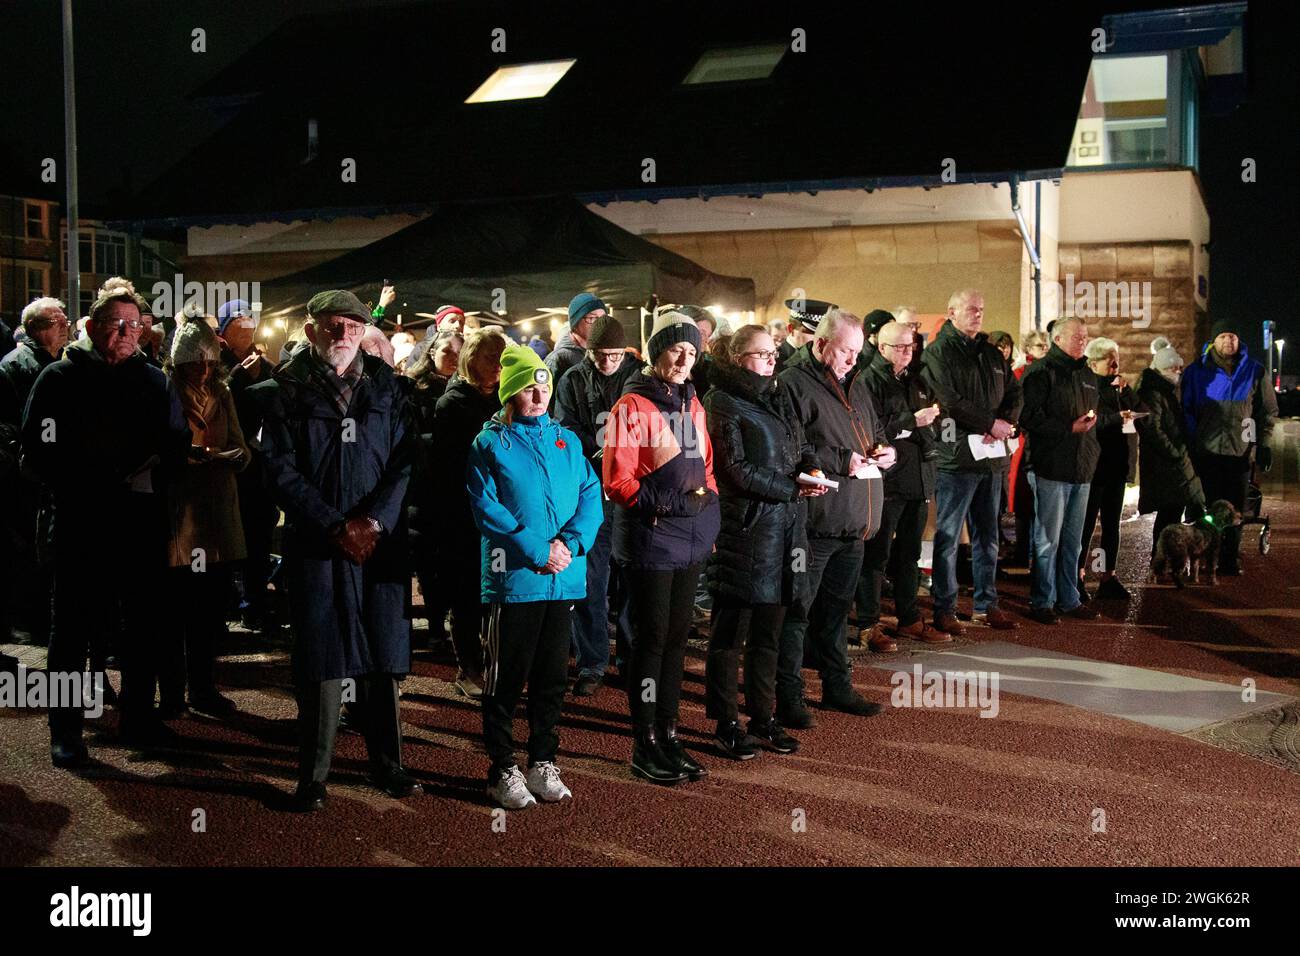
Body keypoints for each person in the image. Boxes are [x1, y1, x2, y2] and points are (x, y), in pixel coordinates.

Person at [257, 290, 421, 812]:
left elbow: (403, 462)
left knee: (382, 652)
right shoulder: (282, 391)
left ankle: (388, 765)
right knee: (322, 658)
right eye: (332, 325)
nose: (343, 334)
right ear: (310, 331)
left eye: (352, 325)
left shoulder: (389, 386)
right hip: (318, 542)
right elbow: (279, 469)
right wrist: (334, 526)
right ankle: (314, 776)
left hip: (378, 540)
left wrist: (374, 521)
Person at [22, 285, 192, 766]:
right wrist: (88, 475)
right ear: (92, 328)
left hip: (139, 525)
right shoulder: (58, 378)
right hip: (81, 522)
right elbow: (34, 452)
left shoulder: (154, 382)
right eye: (117, 323)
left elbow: (177, 444)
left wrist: (154, 468)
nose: (126, 332)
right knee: (72, 631)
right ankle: (67, 730)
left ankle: (138, 717)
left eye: (134, 324)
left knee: (144, 628)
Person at [466, 345, 602, 809]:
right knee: (506, 679)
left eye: (542, 383)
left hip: (561, 579)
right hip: (516, 581)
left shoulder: (567, 440)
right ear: (509, 394)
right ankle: (501, 767)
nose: (538, 392)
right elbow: (487, 508)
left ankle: (542, 762)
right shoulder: (489, 443)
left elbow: (591, 494)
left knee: (550, 679)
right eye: (527, 386)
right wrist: (535, 549)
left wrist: (569, 545)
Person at [603, 309, 720, 785]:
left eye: (691, 352)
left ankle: (669, 734)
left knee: (675, 642)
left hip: (689, 539)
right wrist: (675, 504)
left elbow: (707, 468)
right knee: (649, 643)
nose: (683, 359)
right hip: (650, 540)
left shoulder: (693, 402)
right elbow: (617, 480)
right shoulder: (630, 406)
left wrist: (707, 511)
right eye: (676, 348)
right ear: (656, 352)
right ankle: (644, 741)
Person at [703, 324, 824, 758]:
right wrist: (792, 487)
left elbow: (800, 444)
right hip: (745, 531)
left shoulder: (775, 396)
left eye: (774, 353)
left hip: (785, 530)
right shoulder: (721, 401)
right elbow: (732, 469)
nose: (772, 361)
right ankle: (725, 722)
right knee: (729, 635)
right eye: (762, 355)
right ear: (738, 358)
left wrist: (811, 469)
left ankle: (762, 716)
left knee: (769, 634)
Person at [777, 308, 895, 727]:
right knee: (797, 610)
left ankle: (836, 685)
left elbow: (875, 431)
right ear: (820, 343)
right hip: (816, 519)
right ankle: (788, 694)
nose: (852, 360)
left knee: (835, 612)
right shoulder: (792, 383)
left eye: (858, 352)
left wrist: (886, 451)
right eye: (846, 350)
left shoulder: (857, 384)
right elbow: (791, 447)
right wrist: (841, 461)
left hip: (856, 520)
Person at [919, 289, 1023, 635]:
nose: (978, 314)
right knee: (948, 536)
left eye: (981, 309)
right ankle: (944, 607)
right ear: (952, 312)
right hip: (956, 457)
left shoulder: (991, 353)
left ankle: (985, 603)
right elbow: (948, 400)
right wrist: (988, 423)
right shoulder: (938, 352)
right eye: (971, 309)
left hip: (991, 458)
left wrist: (1005, 421)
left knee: (988, 535)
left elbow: (1013, 391)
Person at [162, 317, 249, 716]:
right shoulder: (166, 391)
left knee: (209, 609)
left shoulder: (223, 392)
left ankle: (202, 686)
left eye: (210, 363)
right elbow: (162, 446)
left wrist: (233, 456)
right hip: (181, 512)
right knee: (175, 608)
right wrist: (190, 455)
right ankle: (172, 691)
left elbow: (240, 446)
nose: (204, 370)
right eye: (196, 363)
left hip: (215, 511)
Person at [553, 315, 639, 696]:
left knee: (633, 579)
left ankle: (631, 659)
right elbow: (566, 428)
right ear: (589, 352)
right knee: (591, 579)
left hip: (632, 490)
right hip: (591, 492)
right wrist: (598, 450)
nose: (608, 362)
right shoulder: (572, 379)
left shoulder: (637, 377)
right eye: (601, 355)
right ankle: (592, 662)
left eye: (615, 355)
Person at [856, 321, 949, 648]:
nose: (907, 352)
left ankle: (909, 618)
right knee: (876, 555)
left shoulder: (917, 378)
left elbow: (933, 417)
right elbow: (871, 428)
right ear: (882, 348)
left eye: (911, 346)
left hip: (918, 478)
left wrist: (927, 427)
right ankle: (868, 624)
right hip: (887, 482)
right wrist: (913, 421)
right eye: (900, 347)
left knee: (910, 554)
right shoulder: (869, 380)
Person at [431, 326, 508, 698]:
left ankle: (494, 665)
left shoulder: (507, 399)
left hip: (502, 515)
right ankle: (468, 668)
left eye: (501, 358)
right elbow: (450, 468)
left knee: (496, 593)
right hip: (464, 516)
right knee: (466, 595)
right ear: (471, 358)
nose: (496, 365)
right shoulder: (453, 404)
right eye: (490, 357)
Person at [1017, 318, 1100, 625]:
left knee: (1073, 540)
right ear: (1058, 339)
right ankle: (1042, 600)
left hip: (1081, 468)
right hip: (1050, 466)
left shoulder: (1088, 374)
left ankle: (1069, 598)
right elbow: (1029, 417)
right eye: (1077, 337)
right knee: (1047, 539)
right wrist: (1069, 428)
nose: (1083, 341)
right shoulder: (1040, 372)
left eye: (1086, 337)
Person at [1181, 319, 1277, 575]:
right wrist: (1192, 440)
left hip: (1240, 453)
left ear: (1239, 340)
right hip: (1206, 452)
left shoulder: (1255, 371)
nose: (1228, 341)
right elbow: (1186, 409)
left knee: (1235, 509)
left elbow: (1266, 412)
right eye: (1223, 336)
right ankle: (1203, 557)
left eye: (1233, 336)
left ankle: (1229, 558)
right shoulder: (1196, 371)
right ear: (1214, 340)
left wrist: (1263, 444)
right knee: (1207, 509)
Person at [0, 298, 69, 647]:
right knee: (28, 546)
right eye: (60, 321)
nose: (67, 326)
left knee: (42, 548)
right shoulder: (21, 365)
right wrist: (22, 457)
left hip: (43, 470)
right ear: (40, 327)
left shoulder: (54, 362)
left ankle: (40, 616)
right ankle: (29, 619)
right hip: (28, 474)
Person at [217, 299, 279, 634]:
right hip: (229, 467)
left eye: (248, 318)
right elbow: (220, 404)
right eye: (237, 319)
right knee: (230, 540)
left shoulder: (264, 363)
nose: (246, 323)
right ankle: (230, 602)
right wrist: (243, 378)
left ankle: (255, 602)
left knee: (258, 537)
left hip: (259, 469)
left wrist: (262, 374)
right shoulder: (218, 364)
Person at [1078, 337, 1142, 601]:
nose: (1115, 364)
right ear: (1094, 363)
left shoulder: (1120, 387)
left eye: (1116, 357)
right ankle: (1078, 575)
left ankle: (1108, 576)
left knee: (1112, 525)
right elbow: (1092, 421)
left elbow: (1141, 411)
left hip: (1116, 464)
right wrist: (1118, 417)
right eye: (1109, 358)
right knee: (1086, 525)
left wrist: (1127, 394)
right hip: (1094, 466)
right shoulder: (1086, 386)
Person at [1136, 347, 1205, 551]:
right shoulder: (1153, 392)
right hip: (1165, 464)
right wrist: (1174, 452)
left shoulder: (1164, 390)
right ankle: (1161, 558)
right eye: (1174, 368)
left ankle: (1164, 558)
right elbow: (1152, 428)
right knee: (1169, 513)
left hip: (1170, 462)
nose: (1178, 372)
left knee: (1173, 511)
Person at [1008, 328, 1049, 566]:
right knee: (1025, 499)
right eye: (1039, 346)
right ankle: (1023, 550)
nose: (1044, 350)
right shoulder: (1021, 373)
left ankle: (1034, 552)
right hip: (1024, 443)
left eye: (1046, 346)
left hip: (1039, 442)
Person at [405, 329, 463, 433]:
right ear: (433, 353)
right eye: (447, 351)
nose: (454, 357)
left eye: (459, 352)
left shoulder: (467, 387)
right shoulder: (414, 386)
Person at [546, 292, 605, 391]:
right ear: (575, 322)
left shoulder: (605, 355)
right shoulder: (557, 360)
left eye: (603, 318)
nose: (599, 323)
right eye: (591, 318)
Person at [775, 297, 831, 372]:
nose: (817, 338)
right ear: (791, 329)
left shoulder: (822, 360)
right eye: (812, 332)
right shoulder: (775, 361)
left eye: (821, 334)